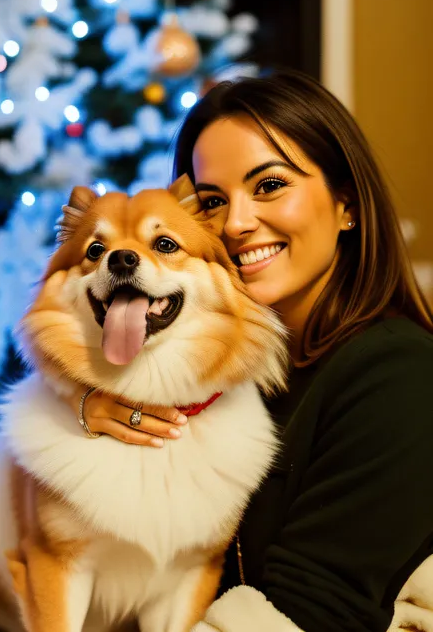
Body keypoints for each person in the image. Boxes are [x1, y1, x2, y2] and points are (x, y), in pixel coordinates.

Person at [68, 70, 433, 632]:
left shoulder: (399, 376)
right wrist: (80, 411)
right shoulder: (225, 371)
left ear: (347, 204)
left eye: (269, 185)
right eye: (211, 201)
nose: (236, 224)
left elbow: (310, 611)